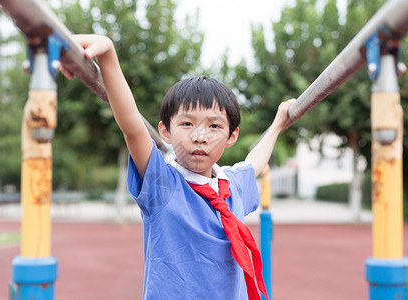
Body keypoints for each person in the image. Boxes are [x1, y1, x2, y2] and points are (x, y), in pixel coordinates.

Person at [62, 34, 295, 300]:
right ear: (165, 131)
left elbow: (255, 163)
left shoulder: (231, 185)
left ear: (232, 136)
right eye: (187, 124)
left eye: (214, 126)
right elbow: (131, 126)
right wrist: (108, 57)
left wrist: (278, 125)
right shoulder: (162, 184)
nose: (200, 136)